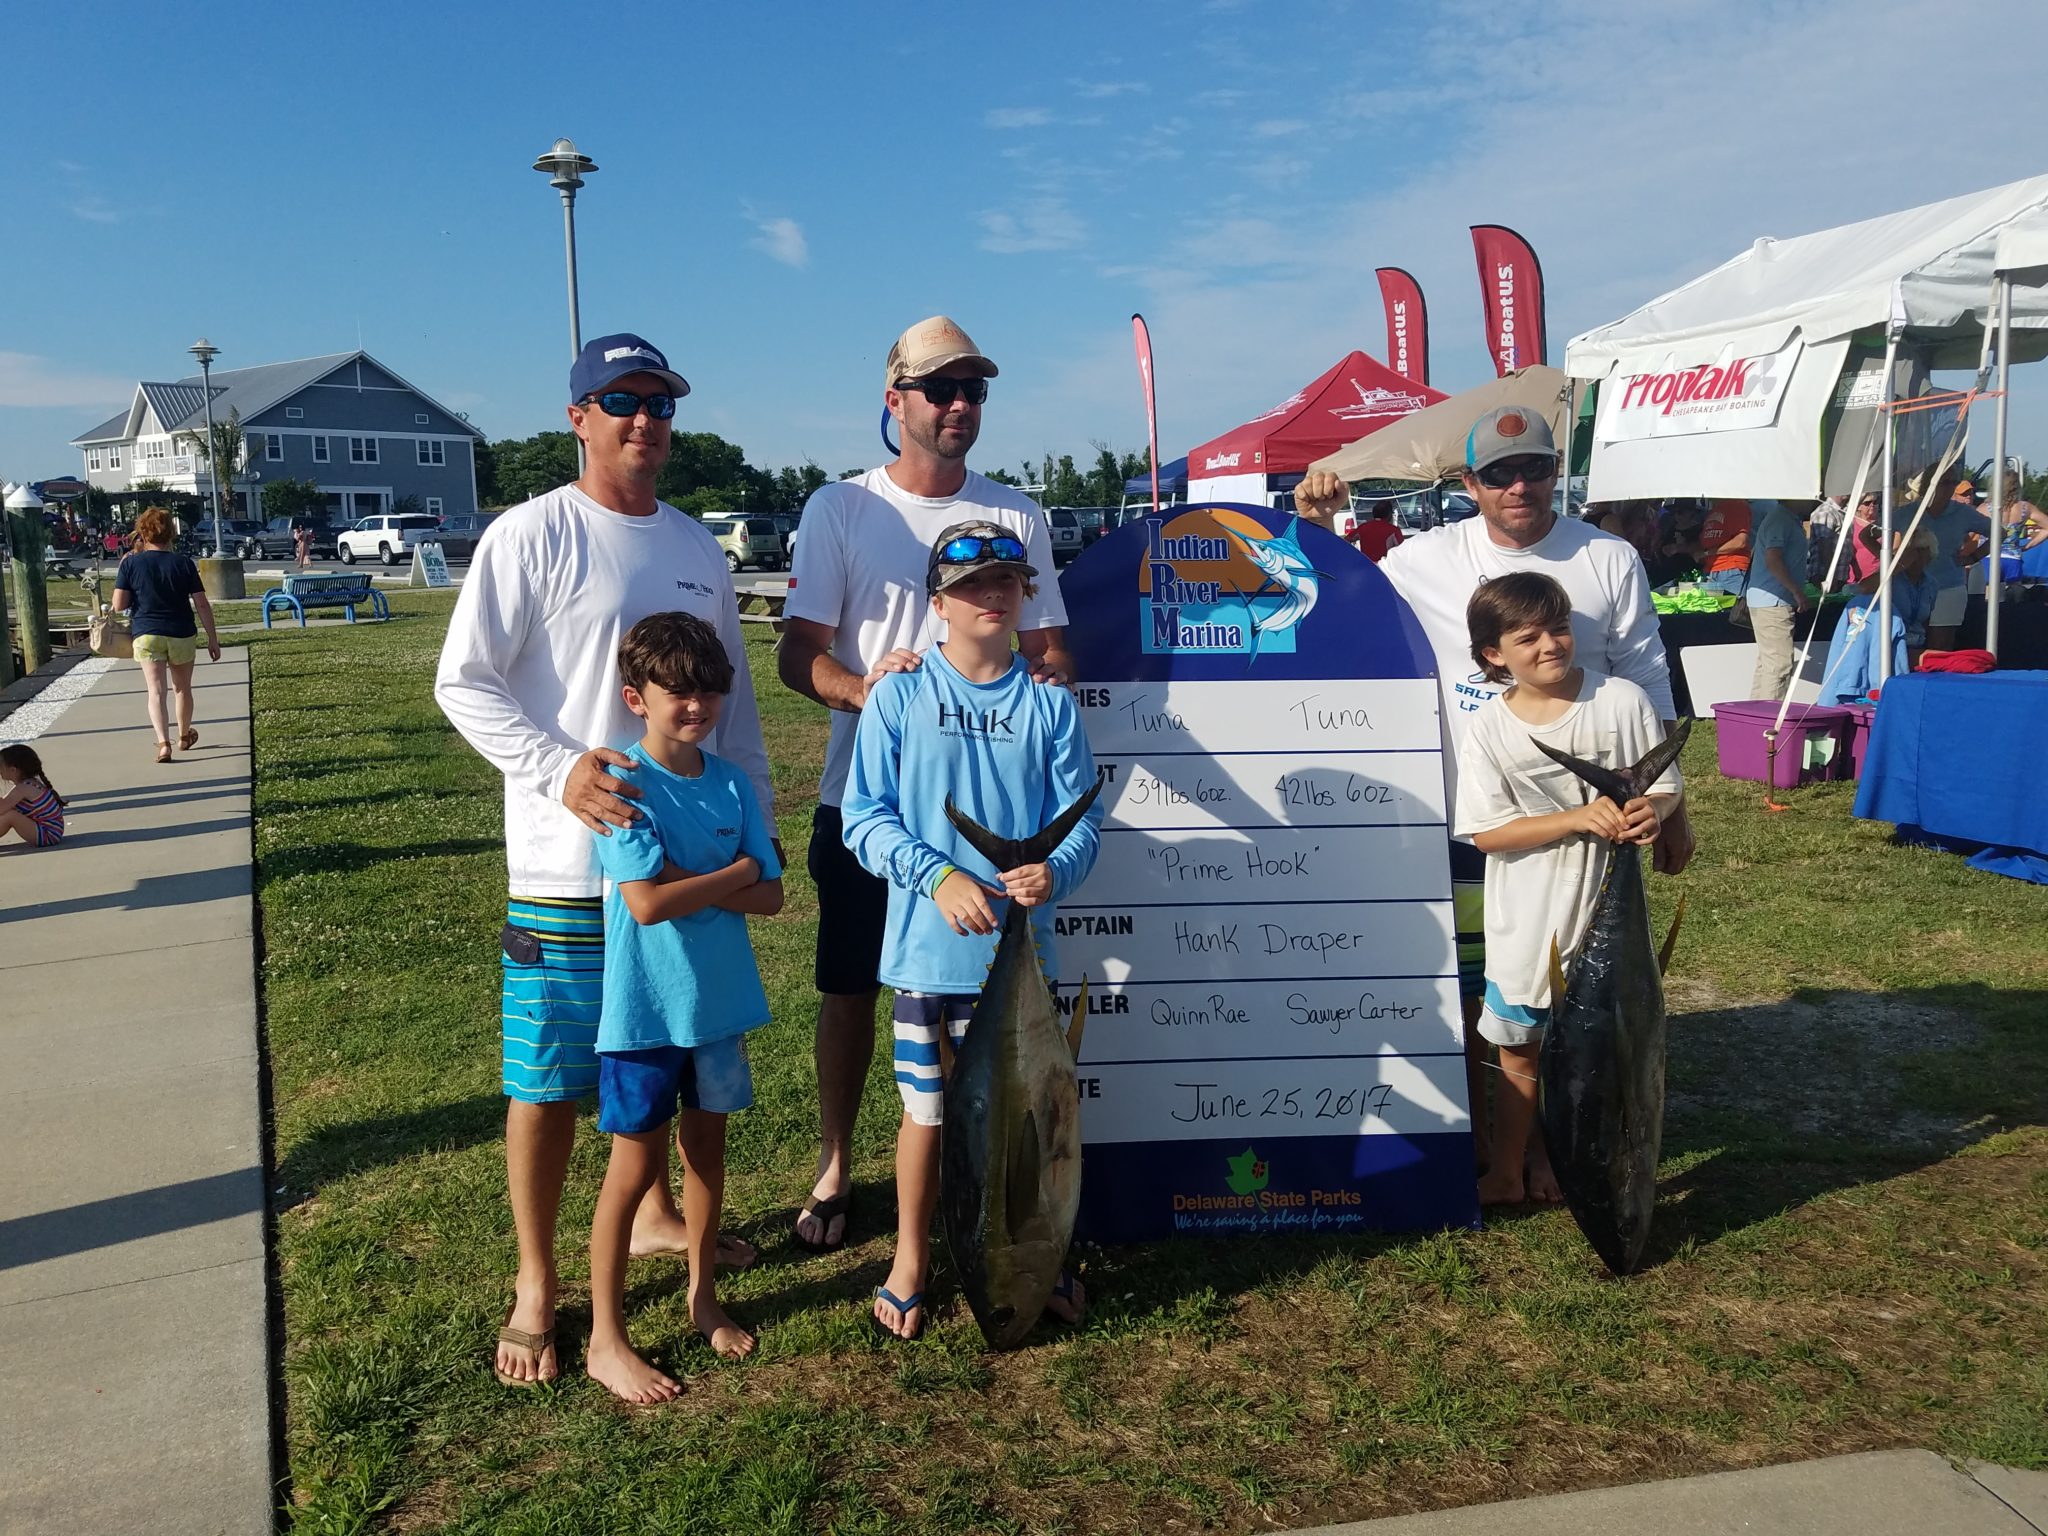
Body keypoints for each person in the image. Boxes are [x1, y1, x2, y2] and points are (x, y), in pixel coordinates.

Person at [434, 332, 775, 1388]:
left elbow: (735, 713)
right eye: (620, 402)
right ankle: (539, 1285)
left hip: (681, 886)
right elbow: (464, 681)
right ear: (578, 416)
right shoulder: (528, 535)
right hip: (561, 873)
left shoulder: (696, 548)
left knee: (665, 1069)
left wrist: (755, 827)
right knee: (545, 1086)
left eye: (659, 405)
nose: (643, 422)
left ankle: (661, 1222)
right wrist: (557, 772)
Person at [1294, 407, 1688, 1169]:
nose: (1520, 486)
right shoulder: (1426, 556)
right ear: (1469, 482)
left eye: (1535, 468)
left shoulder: (1608, 557)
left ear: (1556, 473)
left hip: (1596, 831)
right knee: (1488, 979)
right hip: (1477, 805)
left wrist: (1676, 805)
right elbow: (1340, 600)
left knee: (1582, 987)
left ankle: (1547, 1141)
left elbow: (1645, 673)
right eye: (1500, 473)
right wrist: (1316, 525)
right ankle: (1493, 1132)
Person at [778, 316, 1070, 1254]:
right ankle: (833, 1163)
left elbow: (1049, 648)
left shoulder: (1019, 512)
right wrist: (871, 694)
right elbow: (797, 654)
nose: (957, 406)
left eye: (974, 390)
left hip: (993, 824)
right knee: (852, 988)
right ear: (894, 399)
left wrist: (1044, 699)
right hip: (866, 799)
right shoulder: (841, 506)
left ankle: (976, 1178)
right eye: (940, 389)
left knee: (982, 1012)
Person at [840, 523, 1102, 1339]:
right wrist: (941, 875)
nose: (994, 598)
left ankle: (1042, 1249)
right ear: (939, 601)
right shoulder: (898, 695)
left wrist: (1053, 871)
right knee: (928, 1116)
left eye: (1008, 584)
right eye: (974, 585)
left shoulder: (1050, 704)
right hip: (927, 955)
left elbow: (1085, 828)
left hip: (1026, 962)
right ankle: (911, 1259)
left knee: (1032, 1126)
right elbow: (862, 817)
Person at [583, 612, 784, 1404]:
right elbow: (645, 903)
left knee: (708, 1157)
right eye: (678, 691)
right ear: (637, 696)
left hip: (719, 1008)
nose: (695, 704)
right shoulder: (620, 783)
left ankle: (703, 1297)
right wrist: (729, 875)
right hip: (642, 1015)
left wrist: (716, 878)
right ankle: (607, 1335)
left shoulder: (732, 780)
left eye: (708, 690)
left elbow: (771, 895)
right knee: (632, 1171)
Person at [1454, 573, 1681, 1206]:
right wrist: (1578, 818)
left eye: (1559, 627)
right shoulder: (1489, 729)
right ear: (1493, 655)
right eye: (1528, 637)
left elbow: (1664, 786)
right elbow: (1486, 834)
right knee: (1522, 1049)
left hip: (1602, 910)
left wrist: (1652, 813)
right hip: (1529, 917)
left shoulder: (1622, 701)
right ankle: (1507, 1169)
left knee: (1590, 1050)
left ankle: (1551, 1159)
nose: (1550, 645)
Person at [113, 505, 221, 765]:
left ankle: (163, 744)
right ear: (171, 532)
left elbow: (118, 605)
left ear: (143, 533)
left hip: (147, 633)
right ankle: (184, 736)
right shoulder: (183, 563)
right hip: (181, 631)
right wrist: (212, 638)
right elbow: (202, 603)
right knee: (182, 688)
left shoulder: (131, 563)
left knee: (156, 691)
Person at [1915, 468, 1992, 651]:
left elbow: (1999, 533)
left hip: (1950, 585)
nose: (1950, 487)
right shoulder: (1908, 513)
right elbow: (1881, 537)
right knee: (1914, 645)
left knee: (1940, 648)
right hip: (1914, 588)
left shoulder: (1965, 513)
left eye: (1953, 483)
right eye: (1945, 483)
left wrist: (1973, 557)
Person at [1743, 499, 1812, 702]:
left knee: (1767, 664)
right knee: (1779, 664)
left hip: (1769, 599)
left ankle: (1754, 717)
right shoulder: (1781, 519)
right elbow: (1773, 559)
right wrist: (1796, 591)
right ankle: (1769, 722)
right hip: (1773, 601)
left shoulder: (1785, 518)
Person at [0, 744, 67, 849]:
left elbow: (1, 808)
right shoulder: (29, 783)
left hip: (48, 834)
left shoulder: (24, 788)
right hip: (51, 831)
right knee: (8, 812)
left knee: (10, 815)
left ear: (13, 770)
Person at [1697, 498, 1752, 597]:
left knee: (1736, 610)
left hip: (1731, 570)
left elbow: (1740, 541)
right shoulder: (1713, 511)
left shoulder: (1736, 505)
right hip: (1711, 571)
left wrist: (1708, 553)